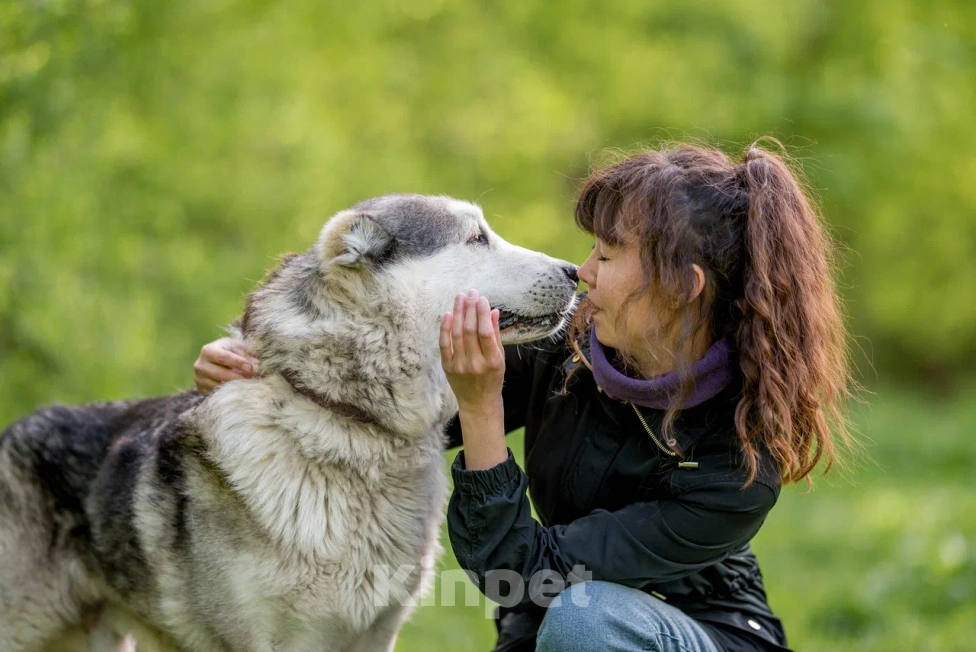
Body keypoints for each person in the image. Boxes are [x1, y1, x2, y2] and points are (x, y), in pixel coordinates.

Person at [195, 142, 853, 652]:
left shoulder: (737, 462)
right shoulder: (566, 350)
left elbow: (524, 573)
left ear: (683, 286)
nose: (580, 271)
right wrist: (266, 376)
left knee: (586, 620)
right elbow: (387, 413)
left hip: (694, 631)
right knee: (573, 623)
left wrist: (482, 408)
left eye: (606, 255)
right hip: (548, 628)